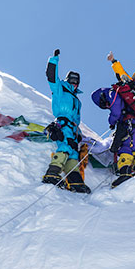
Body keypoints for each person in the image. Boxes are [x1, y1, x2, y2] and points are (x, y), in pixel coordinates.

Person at [42, 49, 91, 194]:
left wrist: (79, 133)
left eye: (76, 82)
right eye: (72, 80)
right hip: (62, 123)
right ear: (68, 80)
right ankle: (52, 174)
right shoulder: (60, 89)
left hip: (73, 128)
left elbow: (76, 119)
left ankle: (75, 181)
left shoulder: (77, 100)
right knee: (65, 146)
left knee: (73, 154)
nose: (74, 83)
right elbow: (51, 77)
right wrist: (54, 59)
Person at [91, 84, 135, 188]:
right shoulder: (127, 95)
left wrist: (112, 122)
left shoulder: (110, 94)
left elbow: (116, 110)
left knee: (124, 148)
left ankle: (125, 173)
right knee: (132, 149)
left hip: (131, 123)